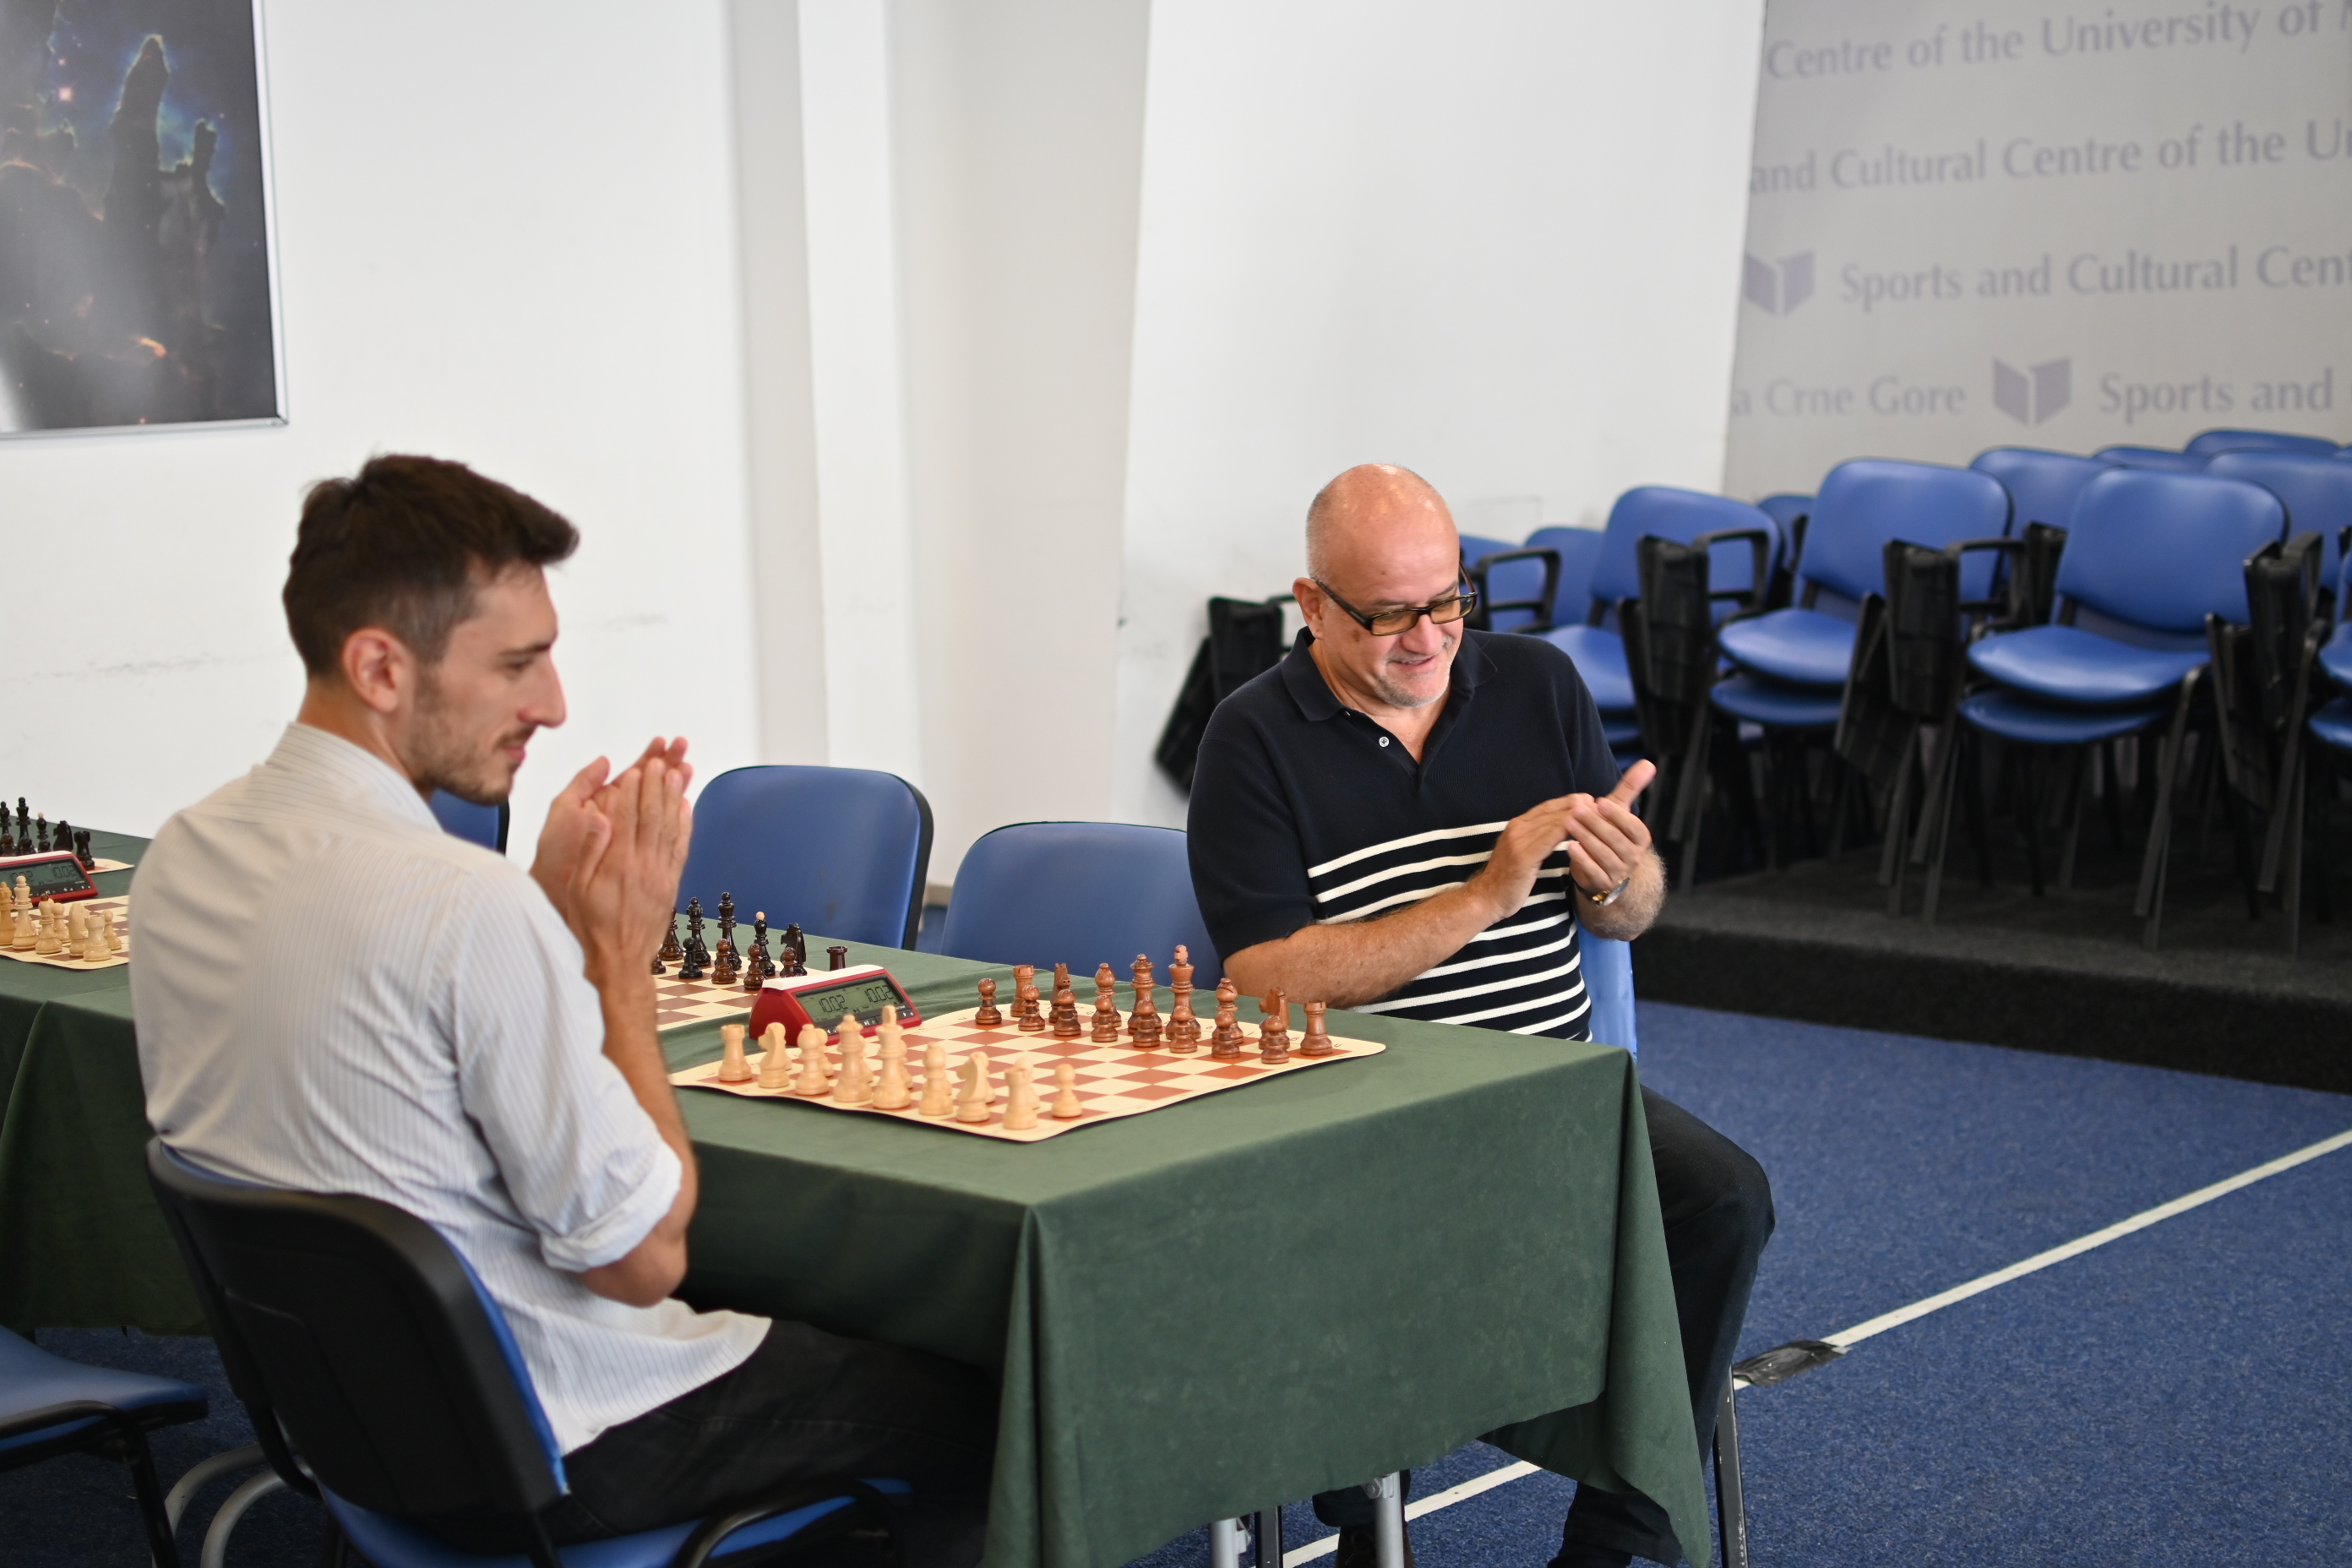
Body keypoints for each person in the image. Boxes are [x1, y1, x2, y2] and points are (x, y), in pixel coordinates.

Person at [133, 456, 994, 1565]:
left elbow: (395, 1042)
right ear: (381, 667)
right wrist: (615, 960)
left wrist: (538, 922)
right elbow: (641, 1263)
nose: (553, 705)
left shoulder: (185, 853)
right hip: (557, 1441)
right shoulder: (457, 903)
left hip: (352, 1430)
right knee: (996, 1402)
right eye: (516, 664)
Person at [1185, 464, 1774, 1568]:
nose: (1428, 639)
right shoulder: (1250, 736)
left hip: (1551, 1085)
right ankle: (1370, 1528)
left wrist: (1621, 875)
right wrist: (1484, 895)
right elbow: (1269, 980)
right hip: (1367, 1112)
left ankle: (1609, 1545)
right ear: (1313, 604)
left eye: (1448, 601)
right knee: (1364, 1257)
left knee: (1724, 1197)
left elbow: (1626, 917)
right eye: (1389, 615)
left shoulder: (1538, 682)